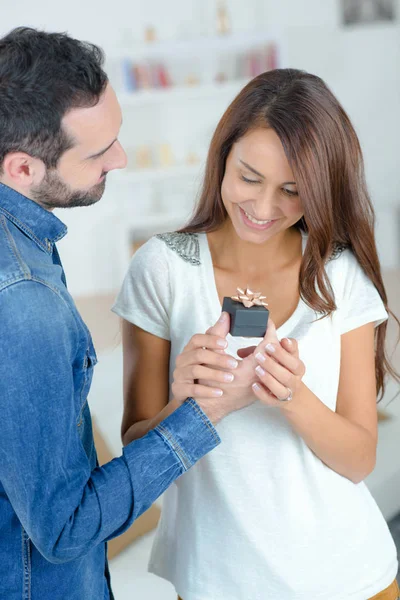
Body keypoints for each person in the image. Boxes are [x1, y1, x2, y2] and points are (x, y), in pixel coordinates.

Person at [114, 68, 400, 599]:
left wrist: (291, 396)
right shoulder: (162, 269)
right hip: (215, 581)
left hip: (354, 578)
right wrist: (190, 401)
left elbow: (360, 458)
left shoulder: (339, 274)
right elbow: (136, 455)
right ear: (223, 155)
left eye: (292, 191)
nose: (264, 209)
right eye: (249, 177)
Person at [0, 27, 247, 600]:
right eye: (98, 151)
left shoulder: (26, 241)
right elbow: (64, 530)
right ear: (21, 169)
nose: (122, 157)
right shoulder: (23, 304)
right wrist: (203, 414)